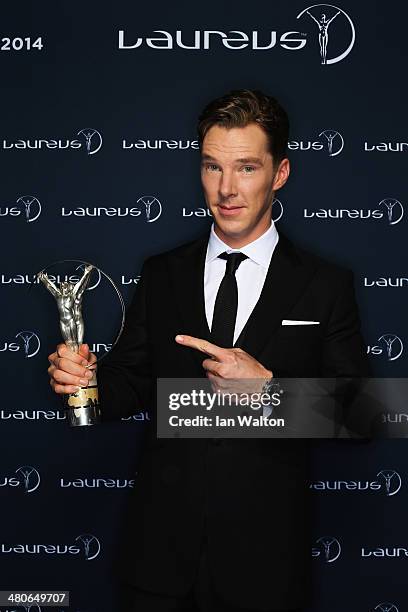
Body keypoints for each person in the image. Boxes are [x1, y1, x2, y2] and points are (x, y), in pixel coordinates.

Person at [47, 89, 369, 612]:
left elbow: (362, 416)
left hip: (264, 566)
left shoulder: (325, 285)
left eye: (245, 168)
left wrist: (269, 393)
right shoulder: (163, 272)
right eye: (212, 167)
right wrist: (88, 381)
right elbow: (131, 381)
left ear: (280, 173)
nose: (226, 189)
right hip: (157, 561)